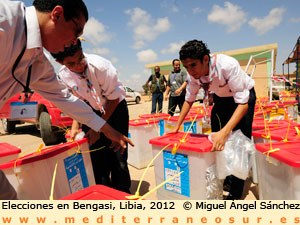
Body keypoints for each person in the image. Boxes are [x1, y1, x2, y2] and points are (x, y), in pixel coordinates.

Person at [0, 0, 133, 199]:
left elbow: (67, 100)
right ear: (57, 14)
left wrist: (107, 129)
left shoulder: (38, 64)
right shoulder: (5, 18)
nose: (75, 42)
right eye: (76, 32)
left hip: (112, 109)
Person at [166, 40, 256, 200]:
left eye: (193, 65)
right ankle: (227, 178)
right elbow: (189, 100)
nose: (190, 71)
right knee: (216, 138)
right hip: (222, 99)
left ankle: (235, 193)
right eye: (186, 67)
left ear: (206, 59)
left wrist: (225, 132)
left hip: (243, 98)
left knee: (238, 142)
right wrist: (177, 126)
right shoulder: (192, 75)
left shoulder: (227, 65)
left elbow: (242, 105)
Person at [51, 40, 131, 193]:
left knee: (118, 153)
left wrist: (98, 128)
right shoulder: (63, 75)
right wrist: (75, 126)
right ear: (60, 62)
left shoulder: (100, 67)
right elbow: (79, 102)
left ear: (82, 51)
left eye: (80, 58)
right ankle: (104, 193)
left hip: (115, 109)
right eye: (71, 64)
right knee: (96, 156)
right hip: (90, 111)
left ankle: (122, 194)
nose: (79, 66)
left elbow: (113, 99)